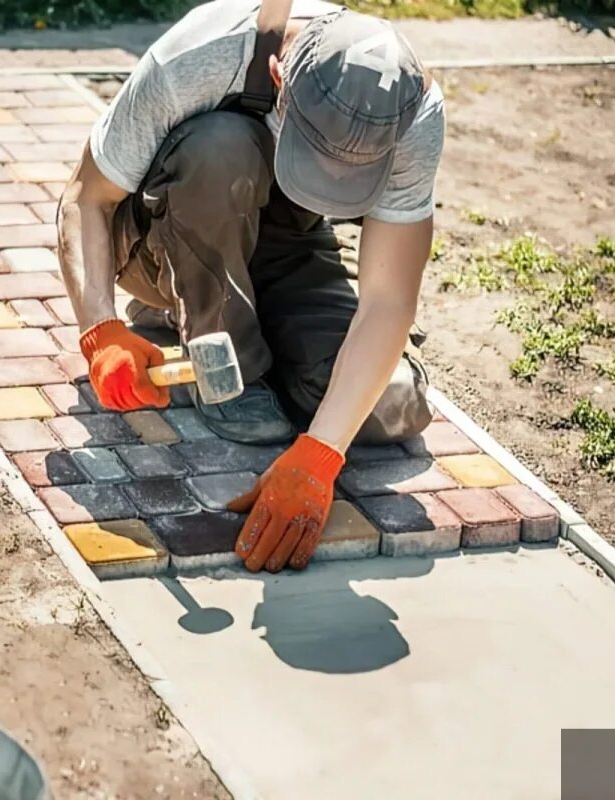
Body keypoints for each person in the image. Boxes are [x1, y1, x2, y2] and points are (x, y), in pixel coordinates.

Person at [55, 0, 445, 573]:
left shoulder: (410, 112)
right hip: (170, 232)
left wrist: (319, 455)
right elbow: (85, 198)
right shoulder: (202, 55)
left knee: (391, 405)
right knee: (221, 145)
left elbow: (388, 301)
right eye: (320, 159)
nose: (334, 181)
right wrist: (100, 329)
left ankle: (250, 324)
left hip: (287, 243)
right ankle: (208, 331)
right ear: (280, 79)